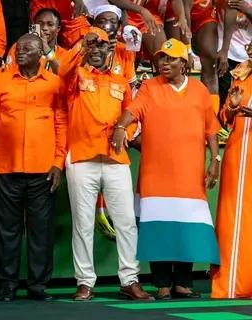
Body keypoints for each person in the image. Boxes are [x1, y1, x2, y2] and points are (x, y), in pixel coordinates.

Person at [112, 38, 220, 300]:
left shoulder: (199, 90)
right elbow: (132, 111)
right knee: (157, 227)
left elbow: (212, 130)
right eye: (161, 58)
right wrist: (119, 127)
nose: (165, 63)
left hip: (190, 174)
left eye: (171, 59)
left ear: (184, 63)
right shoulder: (149, 87)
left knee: (187, 227)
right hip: (156, 173)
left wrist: (214, 160)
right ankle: (161, 283)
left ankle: (183, 282)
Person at [63, 27, 152, 302]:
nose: (98, 50)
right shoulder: (76, 76)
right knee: (83, 224)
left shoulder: (120, 81)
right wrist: (81, 44)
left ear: (109, 50)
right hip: (81, 158)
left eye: (102, 46)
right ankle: (85, 283)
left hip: (115, 161)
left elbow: (133, 116)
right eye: (93, 46)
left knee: (126, 222)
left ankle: (129, 280)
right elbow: (62, 70)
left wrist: (126, 130)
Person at [0, 33, 66, 302]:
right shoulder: (1, 81)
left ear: (41, 53)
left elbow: (62, 124)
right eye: (18, 48)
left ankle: (38, 285)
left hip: (43, 170)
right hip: (5, 168)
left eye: (28, 48)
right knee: (7, 230)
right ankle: (7, 284)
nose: (20, 52)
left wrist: (58, 163)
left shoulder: (55, 84)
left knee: (41, 230)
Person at [180, 0, 246, 110]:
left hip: (207, 15)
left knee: (211, 59)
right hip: (180, 14)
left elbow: (232, 8)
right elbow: (184, 6)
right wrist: (187, 46)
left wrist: (224, 50)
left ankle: (210, 117)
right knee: (176, 60)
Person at [213, 46, 252, 298]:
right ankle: (233, 284)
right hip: (241, 154)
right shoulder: (241, 75)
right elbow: (225, 117)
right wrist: (232, 107)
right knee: (234, 217)